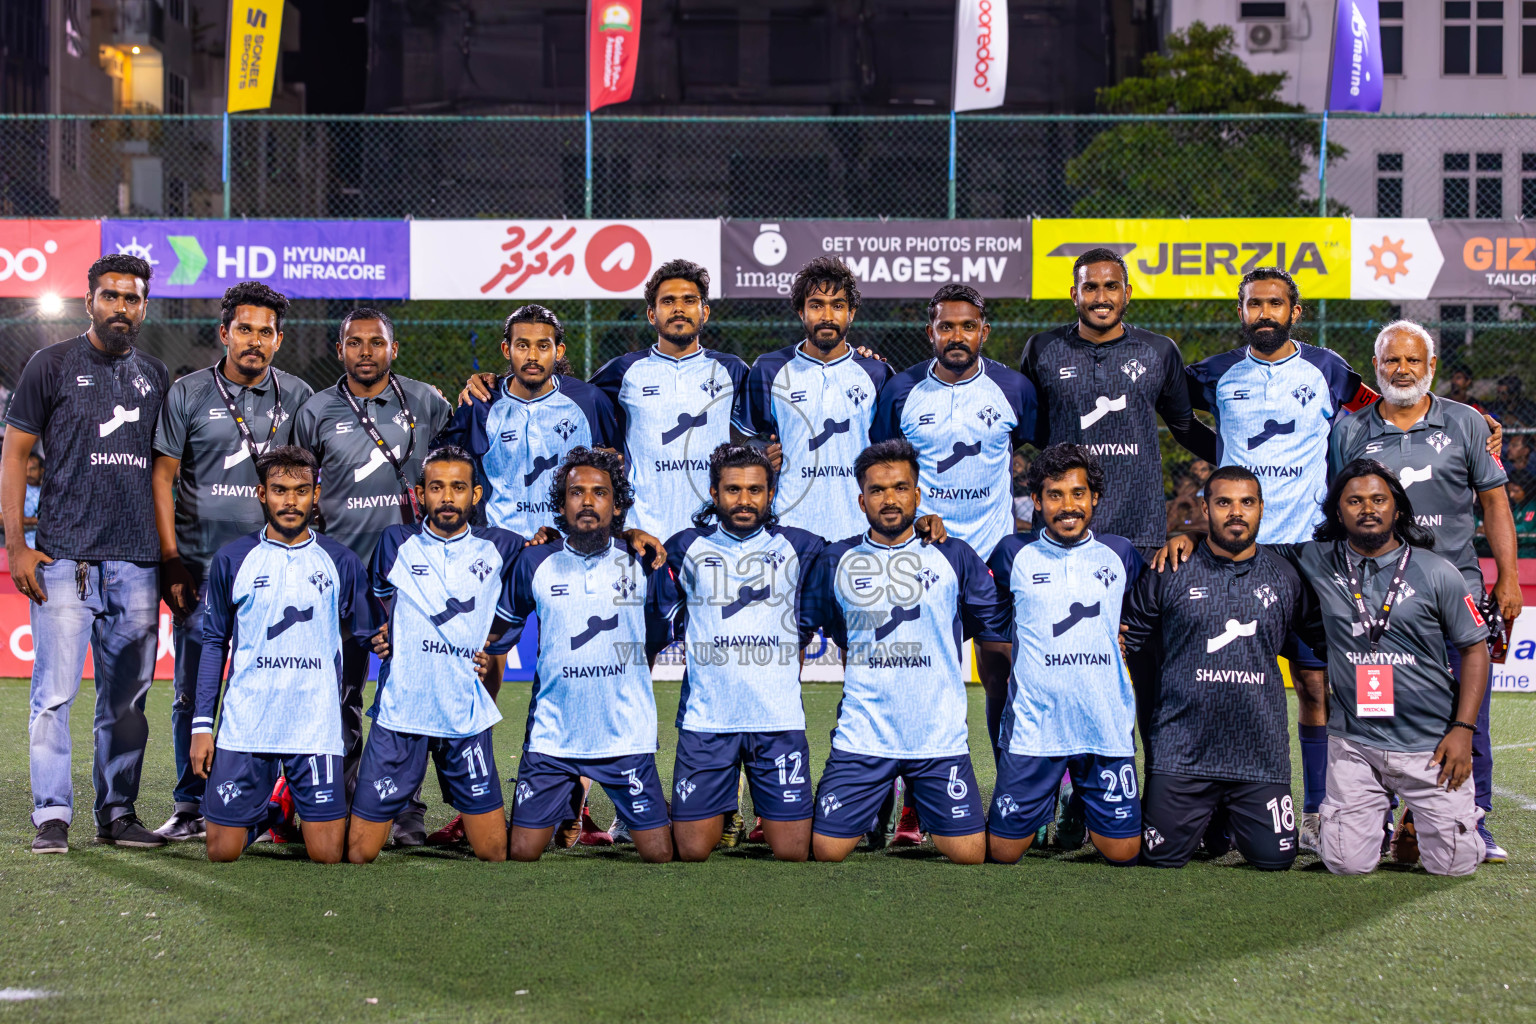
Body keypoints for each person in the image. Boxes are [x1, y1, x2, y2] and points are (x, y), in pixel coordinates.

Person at [1183, 267, 1374, 853]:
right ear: (1240, 313)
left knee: (1317, 686)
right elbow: (1165, 412)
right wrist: (1220, 454)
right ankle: (1222, 809)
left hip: (1313, 552)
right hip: (1243, 551)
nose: (1263, 313)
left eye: (1274, 304)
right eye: (1253, 305)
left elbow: (1384, 408)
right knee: (1229, 683)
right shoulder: (1214, 373)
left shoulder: (1329, 368)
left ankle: (1317, 810)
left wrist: (1477, 423)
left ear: (1295, 311)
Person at [1329, 319, 1520, 863]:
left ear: (1430, 367)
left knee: (1468, 709)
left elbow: (1494, 503)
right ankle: (1376, 819)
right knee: (1378, 709)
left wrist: (1506, 576)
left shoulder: (1466, 423)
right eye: (1391, 361)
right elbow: (1340, 510)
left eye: (1413, 360)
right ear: (1377, 367)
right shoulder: (1351, 430)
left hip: (1455, 589)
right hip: (1377, 600)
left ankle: (1474, 820)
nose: (1402, 370)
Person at [2, 253, 170, 854]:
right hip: (63, 560)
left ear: (144, 306)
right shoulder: (50, 365)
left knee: (126, 700)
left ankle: (117, 811)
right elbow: (15, 454)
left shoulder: (156, 374)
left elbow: (165, 472)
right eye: (110, 296)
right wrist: (17, 546)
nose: (120, 307)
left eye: (131, 298)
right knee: (52, 696)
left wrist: (169, 557)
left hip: (136, 564)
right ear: (89, 300)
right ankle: (52, 814)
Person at [868, 283, 1036, 845]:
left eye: (968, 326)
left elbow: (1041, 457)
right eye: (946, 326)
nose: (957, 336)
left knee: (1002, 677)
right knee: (917, 681)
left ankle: (1013, 797)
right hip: (920, 559)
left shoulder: (1013, 388)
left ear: (983, 331)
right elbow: (884, 469)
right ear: (931, 332)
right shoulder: (901, 390)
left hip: (991, 560)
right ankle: (910, 808)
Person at [151, 281, 314, 842]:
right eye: (244, 329)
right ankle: (190, 802)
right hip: (199, 569)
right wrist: (170, 559)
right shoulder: (189, 392)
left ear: (279, 339)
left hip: (276, 571)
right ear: (224, 333)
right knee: (194, 693)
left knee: (273, 683)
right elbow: (164, 477)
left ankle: (267, 803)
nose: (254, 340)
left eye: (265, 332)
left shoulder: (297, 395)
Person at [289, 308, 452, 846]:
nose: (365, 352)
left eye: (375, 343)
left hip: (413, 582)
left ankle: (404, 810)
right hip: (338, 581)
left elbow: (459, 469)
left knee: (406, 698)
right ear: (340, 350)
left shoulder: (427, 402)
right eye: (354, 343)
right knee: (338, 695)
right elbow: (295, 488)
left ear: (393, 349)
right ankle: (333, 800)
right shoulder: (315, 410)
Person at [802, 439, 1005, 866]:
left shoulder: (954, 554)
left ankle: (910, 806)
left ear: (917, 493)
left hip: (937, 737)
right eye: (877, 490)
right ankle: (877, 806)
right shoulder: (836, 558)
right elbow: (829, 627)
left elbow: (987, 623)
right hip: (864, 734)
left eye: (899, 487)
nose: (889, 499)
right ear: (861, 500)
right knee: (826, 851)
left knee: (970, 856)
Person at [1121, 466, 1315, 870]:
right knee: (1159, 859)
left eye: (1247, 502)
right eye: (1224, 502)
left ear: (1262, 508)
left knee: (1276, 860)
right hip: (1183, 756)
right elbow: (1125, 642)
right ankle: (1208, 819)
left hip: (1258, 756)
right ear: (1206, 509)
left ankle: (1223, 820)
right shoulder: (1169, 569)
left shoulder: (1286, 575)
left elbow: (1322, 643)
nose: (1236, 512)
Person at [190, 446, 373, 863]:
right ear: (261, 493)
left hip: (314, 724)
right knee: (222, 852)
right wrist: (203, 725)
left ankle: (286, 798)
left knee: (327, 855)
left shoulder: (340, 561)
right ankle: (271, 807)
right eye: (279, 490)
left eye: (301, 490)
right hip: (248, 719)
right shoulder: (233, 559)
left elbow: (369, 636)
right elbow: (214, 642)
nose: (290, 501)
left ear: (316, 495)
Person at [494, 446, 675, 863]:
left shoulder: (642, 559)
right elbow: (501, 628)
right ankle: (568, 794)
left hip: (625, 734)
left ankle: (580, 799)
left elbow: (660, 632)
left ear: (617, 503)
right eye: (577, 493)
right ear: (561, 503)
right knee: (522, 852)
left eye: (600, 493)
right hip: (553, 736)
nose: (588, 501)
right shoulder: (535, 561)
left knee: (660, 855)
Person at [346, 446, 522, 863]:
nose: (447, 497)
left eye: (458, 488)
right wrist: (377, 633)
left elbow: (533, 585)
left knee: (494, 852)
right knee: (358, 853)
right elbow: (374, 603)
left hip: (464, 714)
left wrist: (498, 643)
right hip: (401, 711)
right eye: (437, 488)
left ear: (475, 495)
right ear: (421, 494)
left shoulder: (505, 546)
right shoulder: (395, 541)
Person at [976, 444, 1143, 866]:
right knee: (1004, 852)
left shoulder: (1121, 553)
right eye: (1055, 495)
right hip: (1035, 727)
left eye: (1078, 494)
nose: (1068, 506)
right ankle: (1053, 794)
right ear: (1036, 500)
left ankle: (1076, 799)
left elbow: (1144, 614)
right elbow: (992, 616)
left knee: (1123, 853)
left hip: (1102, 723)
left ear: (1095, 498)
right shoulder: (1012, 552)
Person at [657, 443, 824, 861]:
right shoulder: (684, 547)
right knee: (692, 851)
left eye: (755, 490)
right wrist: (629, 532)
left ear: (770, 494)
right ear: (714, 494)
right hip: (707, 720)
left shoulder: (803, 548)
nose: (744, 500)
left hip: (777, 720)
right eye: (733, 490)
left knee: (792, 852)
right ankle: (727, 810)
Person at [1018, 248, 1216, 556]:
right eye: (1090, 287)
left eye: (1111, 286)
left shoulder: (1159, 350)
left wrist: (1241, 460)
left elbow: (1185, 427)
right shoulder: (1042, 349)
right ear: (1074, 294)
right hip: (1062, 522)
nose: (1101, 297)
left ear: (1127, 293)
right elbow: (1027, 428)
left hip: (1138, 525)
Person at [588, 260, 751, 543]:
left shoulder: (732, 369)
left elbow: (769, 422)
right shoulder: (623, 370)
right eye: (668, 301)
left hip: (716, 530)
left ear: (705, 312)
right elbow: (568, 398)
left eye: (689, 300)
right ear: (652, 314)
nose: (678, 308)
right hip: (642, 529)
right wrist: (497, 384)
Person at [734, 256, 892, 540]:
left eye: (838, 306)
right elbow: (743, 441)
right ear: (800, 312)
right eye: (817, 305)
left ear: (852, 313)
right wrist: (760, 456)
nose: (827, 316)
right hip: (787, 527)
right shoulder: (768, 369)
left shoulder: (877, 373)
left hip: (860, 528)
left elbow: (891, 454)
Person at [438, 304, 618, 536]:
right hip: (501, 544)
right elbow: (449, 473)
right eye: (522, 345)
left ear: (559, 351)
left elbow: (618, 460)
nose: (532, 356)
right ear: (506, 349)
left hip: (568, 544)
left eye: (543, 346)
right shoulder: (480, 405)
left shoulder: (589, 401)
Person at [22, 451, 41, 549]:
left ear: (42, 470)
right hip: (26, 546)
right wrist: (37, 521)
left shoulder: (51, 489)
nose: (28, 474)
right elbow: (2, 518)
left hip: (49, 548)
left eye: (32, 469)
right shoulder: (19, 489)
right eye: (26, 470)